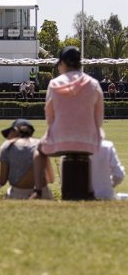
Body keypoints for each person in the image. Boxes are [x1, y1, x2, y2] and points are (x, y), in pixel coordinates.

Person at [31, 46, 104, 198]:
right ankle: (93, 191)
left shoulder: (54, 84)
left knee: (38, 150)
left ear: (63, 63)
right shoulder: (94, 84)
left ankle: (38, 190)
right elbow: (99, 119)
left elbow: (49, 118)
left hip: (60, 140)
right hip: (88, 142)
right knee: (96, 142)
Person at [0, 119, 54, 199]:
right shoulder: (40, 144)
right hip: (43, 193)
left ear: (15, 131)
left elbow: (2, 181)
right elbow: (51, 178)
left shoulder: (7, 146)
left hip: (18, 194)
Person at [89, 130, 125, 200]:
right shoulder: (107, 147)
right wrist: (106, 186)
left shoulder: (71, 149)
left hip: (77, 196)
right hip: (105, 195)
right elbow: (119, 174)